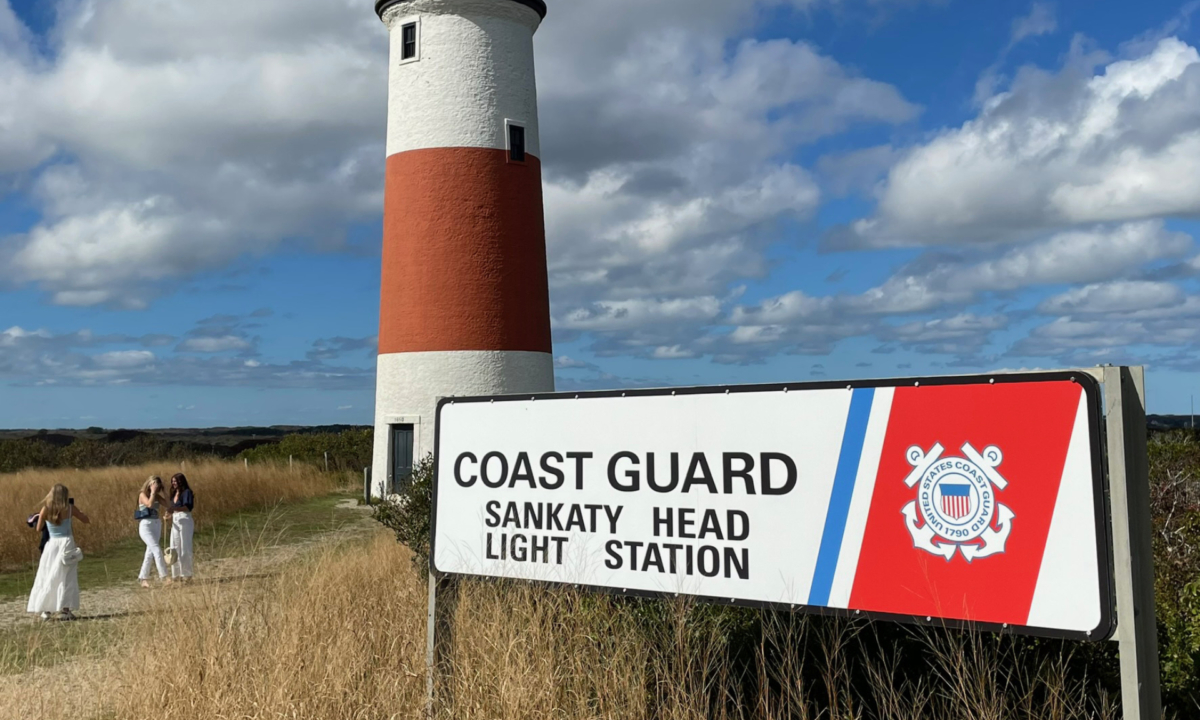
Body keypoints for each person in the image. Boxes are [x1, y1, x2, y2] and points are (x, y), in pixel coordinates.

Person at [27, 485, 90, 621]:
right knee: (67, 576)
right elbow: (85, 520)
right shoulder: (69, 508)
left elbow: (38, 528)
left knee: (48, 574)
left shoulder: (46, 509)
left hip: (52, 544)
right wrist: (82, 513)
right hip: (67, 542)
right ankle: (65, 610)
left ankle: (45, 610)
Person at [137, 476, 171, 588]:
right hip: (146, 525)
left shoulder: (156, 495)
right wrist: (152, 492)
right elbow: (149, 504)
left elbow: (169, 504)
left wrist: (165, 491)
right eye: (153, 484)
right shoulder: (142, 494)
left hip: (156, 524)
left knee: (150, 552)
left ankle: (143, 578)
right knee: (157, 550)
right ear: (149, 484)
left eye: (157, 485)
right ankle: (164, 577)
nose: (155, 487)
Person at [168, 473, 195, 581]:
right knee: (174, 547)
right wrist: (170, 513)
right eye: (172, 481)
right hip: (175, 519)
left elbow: (188, 507)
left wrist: (174, 509)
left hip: (185, 519)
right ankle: (176, 574)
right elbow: (173, 508)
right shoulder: (174, 493)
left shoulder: (186, 492)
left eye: (175, 481)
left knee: (185, 547)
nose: (173, 483)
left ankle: (187, 575)